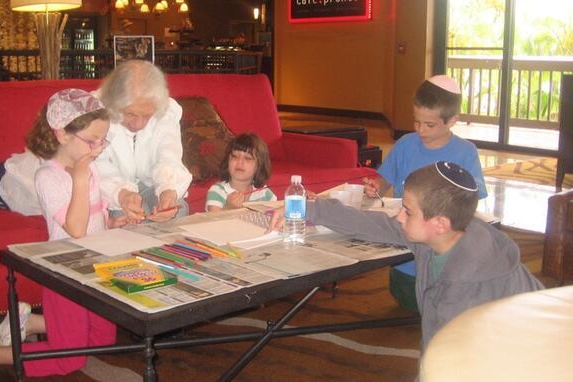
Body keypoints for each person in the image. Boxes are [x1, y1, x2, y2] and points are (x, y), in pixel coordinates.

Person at [269, 162, 543, 351]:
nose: (399, 216)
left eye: (407, 211)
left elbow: (445, 364)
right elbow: (377, 224)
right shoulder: (442, 236)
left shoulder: (463, 293)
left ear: (439, 223)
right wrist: (311, 209)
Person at [0, 89, 121, 375]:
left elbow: (92, 217)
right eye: (92, 140)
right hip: (65, 272)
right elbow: (76, 228)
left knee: (103, 339)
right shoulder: (48, 176)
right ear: (63, 134)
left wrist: (113, 222)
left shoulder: (89, 166)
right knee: (71, 359)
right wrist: (79, 177)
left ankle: (31, 323)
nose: (99, 147)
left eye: (103, 139)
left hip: (95, 265)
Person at [95, 59, 192, 223]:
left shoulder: (165, 109)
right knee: (128, 221)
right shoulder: (94, 112)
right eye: (130, 114)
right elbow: (97, 166)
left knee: (177, 212)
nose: (138, 124)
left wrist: (168, 191)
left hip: (150, 183)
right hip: (110, 186)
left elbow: (168, 155)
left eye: (147, 115)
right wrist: (122, 194)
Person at [364, 75, 487, 200]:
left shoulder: (466, 152)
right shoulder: (405, 144)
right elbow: (385, 179)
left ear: (451, 121)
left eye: (430, 125)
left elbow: (473, 196)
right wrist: (377, 186)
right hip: (403, 217)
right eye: (417, 121)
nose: (420, 130)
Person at [205, 133, 277, 212]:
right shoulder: (217, 191)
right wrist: (228, 208)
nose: (239, 162)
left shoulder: (264, 194)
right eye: (234, 156)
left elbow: (276, 218)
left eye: (248, 158)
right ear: (227, 161)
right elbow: (214, 222)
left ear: (259, 166)